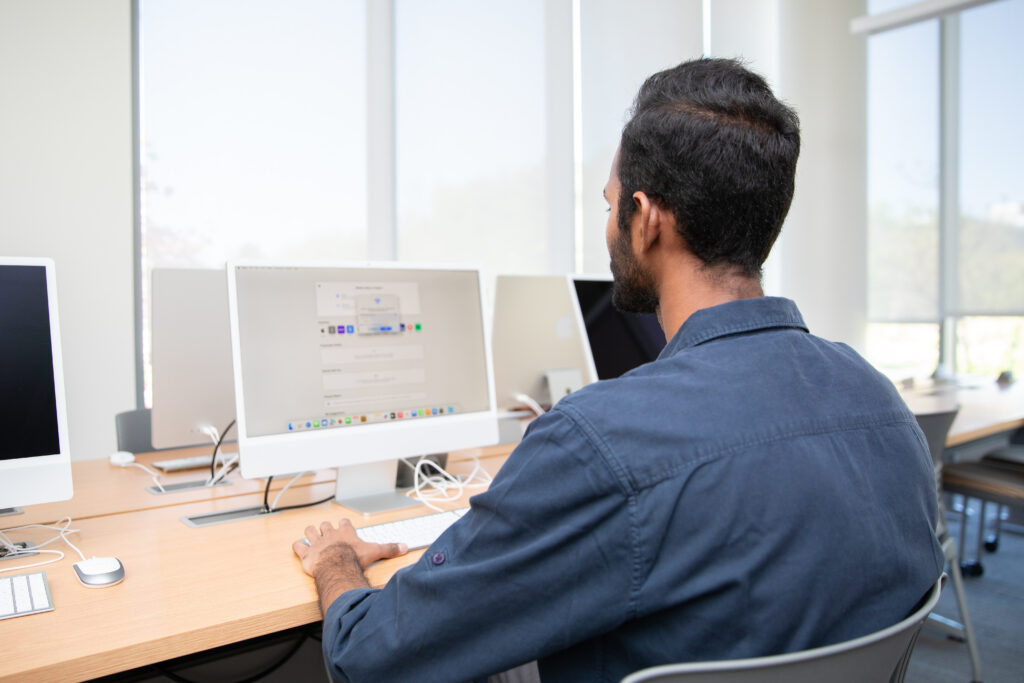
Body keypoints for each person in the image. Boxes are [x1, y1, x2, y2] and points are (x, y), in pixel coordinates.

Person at [292, 58, 944, 683]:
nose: (609, 226)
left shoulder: (598, 440)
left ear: (647, 219)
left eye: (610, 206)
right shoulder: (880, 402)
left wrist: (337, 562)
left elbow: (373, 655)